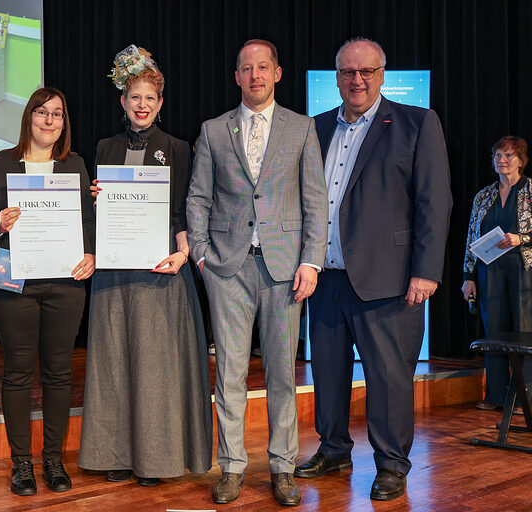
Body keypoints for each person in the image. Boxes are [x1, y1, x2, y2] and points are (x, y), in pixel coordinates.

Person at [295, 38, 452, 501]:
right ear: (337, 76)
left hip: (390, 279)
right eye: (348, 72)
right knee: (326, 371)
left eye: (366, 71)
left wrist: (426, 271)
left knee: (388, 378)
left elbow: (434, 201)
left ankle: (390, 464)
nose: (357, 80)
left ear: (382, 74)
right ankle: (334, 448)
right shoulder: (315, 128)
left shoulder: (416, 123)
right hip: (324, 275)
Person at [186, 39, 328, 506]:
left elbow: (315, 202)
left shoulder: (302, 128)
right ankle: (231, 467)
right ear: (237, 76)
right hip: (227, 269)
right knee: (228, 374)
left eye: (262, 67)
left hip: (286, 270)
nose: (255, 76)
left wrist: (311, 260)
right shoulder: (212, 130)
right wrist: (202, 257)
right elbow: (198, 198)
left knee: (282, 374)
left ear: (277, 73)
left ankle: (284, 468)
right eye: (246, 68)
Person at [78, 45, 213, 487]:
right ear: (123, 101)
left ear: (160, 103)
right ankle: (115, 453)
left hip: (160, 269)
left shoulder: (177, 148)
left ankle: (156, 459)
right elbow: (99, 215)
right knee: (113, 363)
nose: (141, 105)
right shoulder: (105, 147)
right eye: (134, 97)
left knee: (155, 369)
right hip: (115, 271)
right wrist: (99, 198)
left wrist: (184, 252)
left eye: (149, 99)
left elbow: (185, 212)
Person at [0, 87, 95, 496]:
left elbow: (87, 218)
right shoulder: (0, 162)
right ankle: (21, 464)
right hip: (15, 282)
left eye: (57, 114)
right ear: (29, 117)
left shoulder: (75, 164)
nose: (49, 120)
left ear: (64, 123)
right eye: (42, 112)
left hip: (65, 284)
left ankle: (53, 460)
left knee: (59, 374)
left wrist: (92, 252)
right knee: (18, 373)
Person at [462, 136, 532, 410]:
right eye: (498, 156)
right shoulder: (484, 195)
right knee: (494, 331)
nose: (502, 160)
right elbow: (471, 236)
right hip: (488, 271)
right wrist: (468, 276)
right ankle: (496, 395)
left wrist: (521, 239)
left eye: (509, 155)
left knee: (524, 331)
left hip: (523, 271)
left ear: (521, 160)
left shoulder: (530, 192)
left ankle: (524, 399)